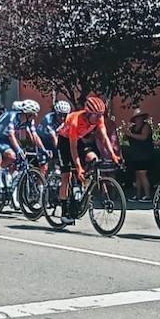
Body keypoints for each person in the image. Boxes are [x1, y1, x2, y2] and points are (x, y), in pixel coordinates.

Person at [54, 95, 121, 224]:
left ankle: (83, 185)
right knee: (66, 176)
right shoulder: (75, 121)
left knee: (93, 158)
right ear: (88, 113)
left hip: (78, 139)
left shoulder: (99, 118)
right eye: (96, 115)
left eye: (100, 115)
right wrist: (78, 167)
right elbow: (73, 149)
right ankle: (64, 211)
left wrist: (113, 155)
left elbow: (104, 137)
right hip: (65, 142)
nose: (99, 118)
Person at [124, 110, 155, 202]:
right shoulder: (133, 128)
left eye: (140, 117)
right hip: (135, 154)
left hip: (144, 154)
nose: (138, 119)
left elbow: (143, 137)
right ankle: (138, 195)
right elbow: (127, 138)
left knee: (142, 174)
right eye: (137, 118)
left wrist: (131, 134)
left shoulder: (146, 126)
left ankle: (147, 195)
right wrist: (126, 133)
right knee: (137, 175)